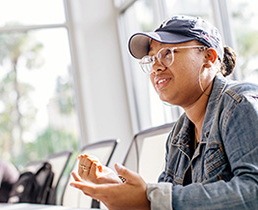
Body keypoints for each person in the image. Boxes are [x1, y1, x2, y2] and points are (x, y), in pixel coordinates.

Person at [70, 15, 258, 210]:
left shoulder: (239, 104)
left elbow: (254, 192)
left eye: (167, 53)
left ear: (208, 57)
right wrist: (117, 189)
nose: (156, 67)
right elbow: (165, 199)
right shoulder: (179, 134)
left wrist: (149, 200)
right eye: (152, 58)